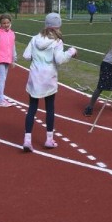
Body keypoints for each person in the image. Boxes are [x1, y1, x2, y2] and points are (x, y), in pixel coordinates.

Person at [21, 13, 77, 152]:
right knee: (50, 108)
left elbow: (26, 56)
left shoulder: (34, 39)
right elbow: (59, 59)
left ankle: (27, 140)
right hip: (49, 77)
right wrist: (71, 52)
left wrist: (37, 57)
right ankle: (49, 139)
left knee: (32, 108)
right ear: (58, 27)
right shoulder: (57, 41)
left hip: (35, 76)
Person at [0, 14, 18, 107]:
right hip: (0, 59)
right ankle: (0, 100)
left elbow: (13, 47)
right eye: (4, 23)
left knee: (3, 78)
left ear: (10, 23)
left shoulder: (12, 33)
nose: (6, 25)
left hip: (8, 59)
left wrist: (14, 59)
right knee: (2, 79)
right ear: (0, 24)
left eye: (8, 23)